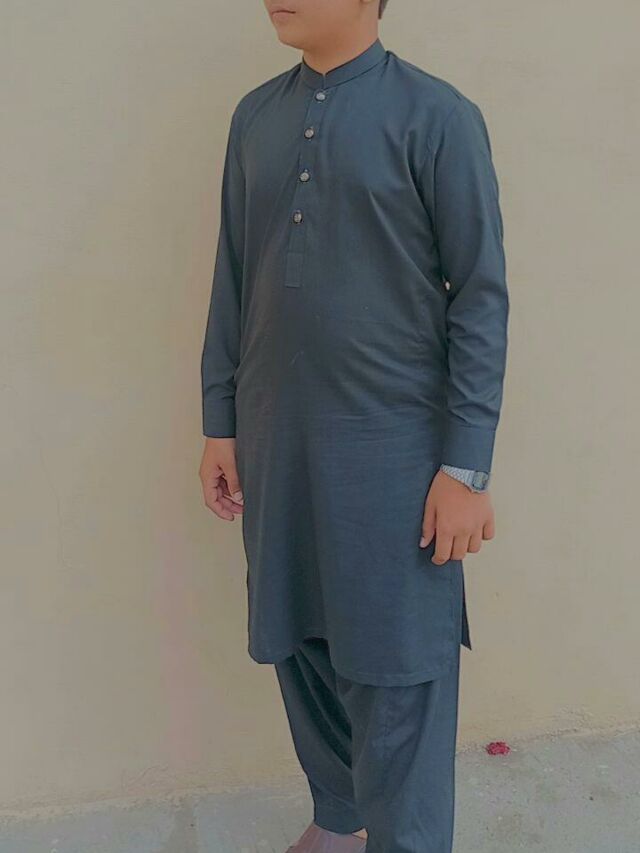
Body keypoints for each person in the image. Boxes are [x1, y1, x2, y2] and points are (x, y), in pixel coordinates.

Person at [199, 1, 509, 850]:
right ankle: (340, 820)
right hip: (277, 440)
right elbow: (233, 274)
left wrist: (466, 468)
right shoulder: (256, 117)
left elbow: (480, 299)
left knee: (398, 668)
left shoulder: (437, 117)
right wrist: (220, 420)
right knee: (298, 642)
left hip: (395, 454)